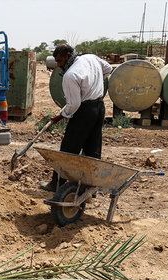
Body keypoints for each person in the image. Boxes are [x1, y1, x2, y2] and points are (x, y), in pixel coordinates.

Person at [39, 44, 112, 192]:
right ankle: (89, 188)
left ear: (67, 56)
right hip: (99, 108)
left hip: (84, 111)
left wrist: (60, 116)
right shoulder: (90, 58)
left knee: (68, 149)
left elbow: (74, 104)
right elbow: (108, 69)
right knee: (93, 149)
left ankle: (57, 184)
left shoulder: (70, 75)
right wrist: (94, 80)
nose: (58, 65)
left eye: (60, 61)